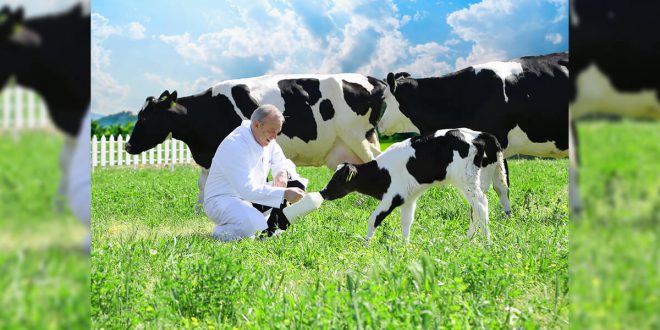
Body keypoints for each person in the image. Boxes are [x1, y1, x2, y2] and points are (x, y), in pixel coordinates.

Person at [203, 104, 306, 241]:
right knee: (254, 225)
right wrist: (284, 193)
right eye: (272, 131)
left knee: (297, 184)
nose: (275, 137)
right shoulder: (235, 145)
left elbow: (283, 162)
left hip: (250, 198)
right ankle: (220, 233)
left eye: (277, 132)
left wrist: (282, 172)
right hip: (223, 199)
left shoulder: (267, 139)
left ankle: (269, 225)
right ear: (257, 125)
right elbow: (247, 189)